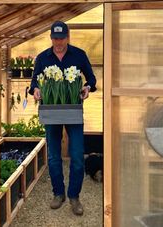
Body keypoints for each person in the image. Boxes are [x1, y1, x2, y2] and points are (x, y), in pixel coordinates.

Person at [29, 20, 97, 216]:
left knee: (77, 155)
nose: (58, 42)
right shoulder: (43, 58)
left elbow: (91, 79)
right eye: (55, 38)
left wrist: (87, 87)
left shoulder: (79, 55)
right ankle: (58, 193)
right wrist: (35, 89)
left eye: (62, 38)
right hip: (51, 111)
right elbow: (34, 81)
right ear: (51, 38)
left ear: (68, 37)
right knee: (53, 156)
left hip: (73, 111)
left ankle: (74, 196)